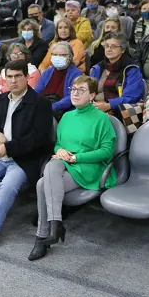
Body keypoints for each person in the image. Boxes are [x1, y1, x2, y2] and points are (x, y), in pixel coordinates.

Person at [0, 59, 53, 257]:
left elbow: (38, 138)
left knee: (7, 186)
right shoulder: (1, 100)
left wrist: (9, 147)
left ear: (27, 77)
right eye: (9, 77)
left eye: (18, 76)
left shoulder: (40, 103)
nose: (13, 81)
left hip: (24, 159)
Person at [29, 74, 117, 261]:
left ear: (92, 95)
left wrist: (76, 157)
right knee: (47, 173)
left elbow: (107, 152)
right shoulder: (67, 116)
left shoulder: (102, 119)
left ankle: (45, 233)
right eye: (73, 89)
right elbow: (58, 144)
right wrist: (60, 150)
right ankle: (52, 227)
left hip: (89, 167)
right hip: (65, 166)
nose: (75, 93)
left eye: (81, 90)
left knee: (42, 183)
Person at [89, 32, 145, 114]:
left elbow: (132, 97)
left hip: (119, 111)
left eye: (113, 46)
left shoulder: (131, 69)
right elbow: (88, 91)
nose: (109, 49)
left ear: (122, 49)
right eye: (107, 46)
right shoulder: (97, 68)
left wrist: (109, 105)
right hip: (95, 108)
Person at [35, 41, 83, 119]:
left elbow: (72, 97)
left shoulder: (76, 73)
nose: (58, 57)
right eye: (55, 54)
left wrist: (53, 107)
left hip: (63, 111)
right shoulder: (47, 71)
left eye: (62, 55)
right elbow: (37, 91)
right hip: (44, 107)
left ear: (70, 57)